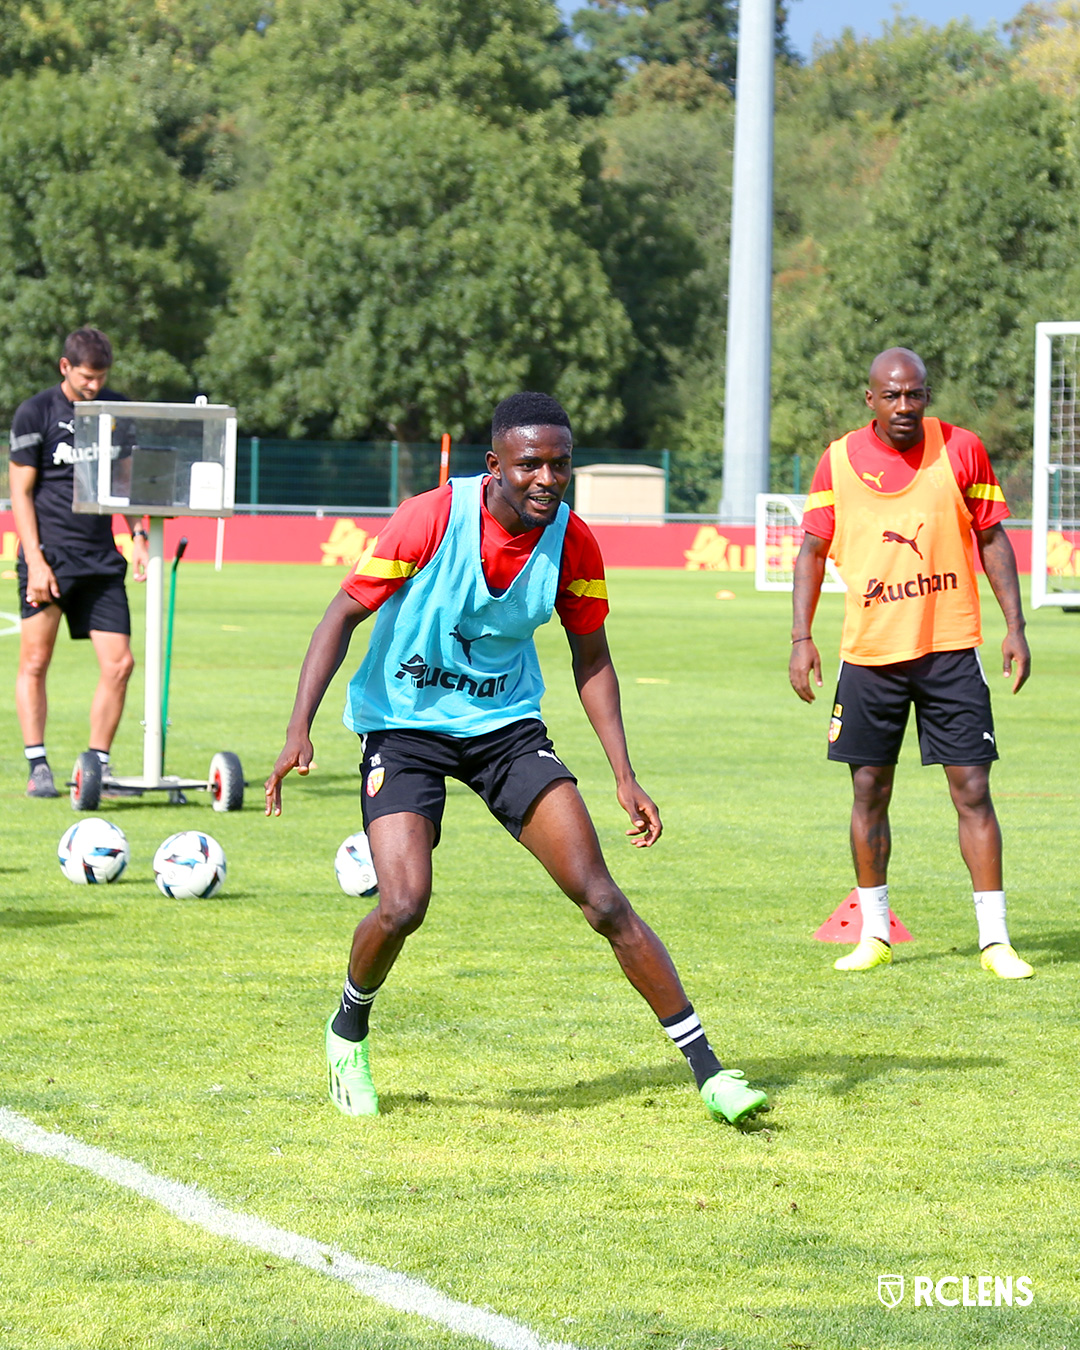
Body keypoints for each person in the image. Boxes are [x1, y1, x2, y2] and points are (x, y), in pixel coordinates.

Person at [266, 391, 768, 1125]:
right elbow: (342, 612)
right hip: (403, 727)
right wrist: (298, 728)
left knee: (602, 898)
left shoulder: (573, 541)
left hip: (505, 729)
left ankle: (711, 1073)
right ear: (494, 463)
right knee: (403, 904)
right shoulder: (430, 517)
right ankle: (347, 1032)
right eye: (530, 463)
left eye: (560, 464)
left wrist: (624, 775)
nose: (547, 479)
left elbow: (591, 656)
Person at [789, 347, 1033, 978]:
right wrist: (800, 638)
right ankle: (874, 935)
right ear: (869, 399)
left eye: (916, 394)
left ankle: (995, 940)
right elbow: (812, 554)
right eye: (892, 396)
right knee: (869, 790)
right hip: (868, 657)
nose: (904, 406)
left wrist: (1016, 626)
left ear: (928, 395)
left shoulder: (962, 449)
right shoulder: (838, 460)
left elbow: (991, 537)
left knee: (973, 789)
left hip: (951, 649)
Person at [9, 327, 149, 798]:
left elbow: (127, 484)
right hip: (49, 557)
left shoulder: (116, 408)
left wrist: (139, 535)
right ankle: (38, 765)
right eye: (87, 376)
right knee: (35, 660)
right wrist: (36, 560)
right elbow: (20, 493)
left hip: (100, 558)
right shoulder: (35, 412)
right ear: (65, 367)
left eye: (101, 376)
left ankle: (98, 768)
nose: (94, 385)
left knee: (120, 664)